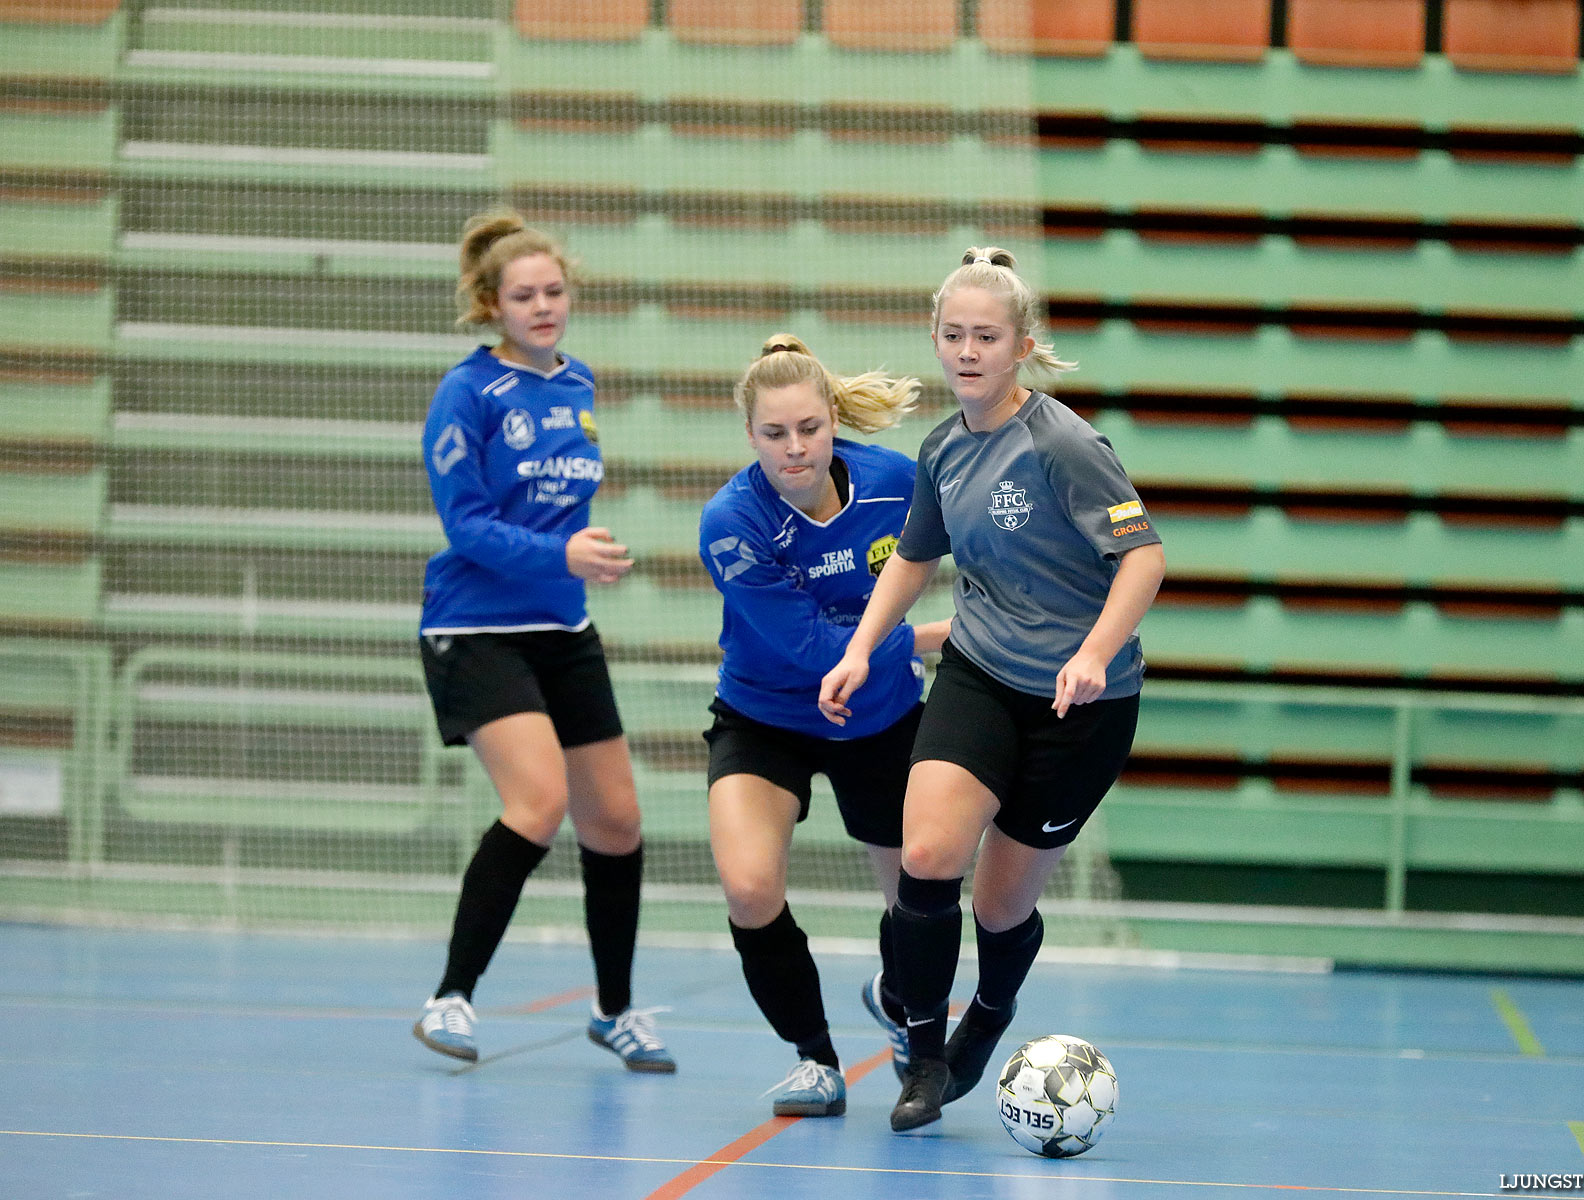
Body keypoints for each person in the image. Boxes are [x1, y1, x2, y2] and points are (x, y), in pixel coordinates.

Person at [818, 247, 1165, 1132]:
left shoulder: (1063, 443)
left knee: (1002, 904)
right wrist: (866, 646)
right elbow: (917, 558)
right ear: (935, 340)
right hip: (977, 673)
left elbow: (1144, 557)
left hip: (1078, 705)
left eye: (986, 336)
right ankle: (924, 1059)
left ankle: (993, 1011)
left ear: (1021, 347)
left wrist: (1092, 653)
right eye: (953, 335)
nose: (967, 350)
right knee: (927, 856)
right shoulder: (941, 447)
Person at [410, 209, 674, 1073]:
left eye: (554, 290)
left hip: (562, 626)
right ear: (491, 306)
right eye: (524, 295)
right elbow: (468, 526)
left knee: (619, 821)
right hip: (476, 627)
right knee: (537, 803)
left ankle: (615, 1009)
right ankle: (451, 997)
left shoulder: (577, 383)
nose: (543, 305)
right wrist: (560, 551)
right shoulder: (466, 394)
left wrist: (578, 561)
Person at [699, 334, 952, 1117]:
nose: (795, 448)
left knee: (919, 890)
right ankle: (813, 1057)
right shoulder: (731, 522)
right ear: (750, 437)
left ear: (833, 419)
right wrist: (940, 635)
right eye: (774, 434)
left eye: (809, 428)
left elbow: (961, 546)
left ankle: (905, 1010)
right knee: (748, 887)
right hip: (766, 713)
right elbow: (811, 650)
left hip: (880, 715)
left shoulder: (894, 483)